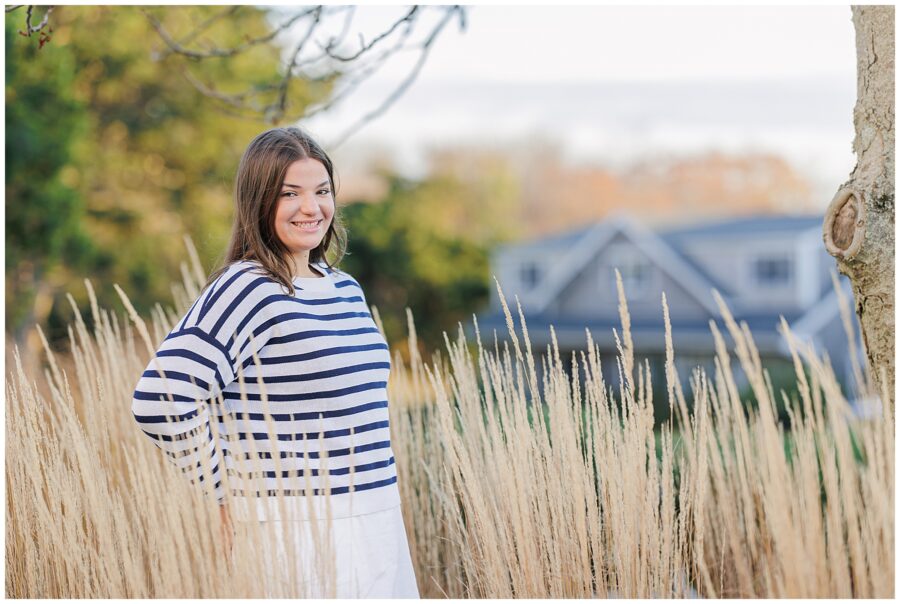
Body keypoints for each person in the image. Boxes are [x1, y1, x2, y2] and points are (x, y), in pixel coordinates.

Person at [130, 126, 419, 598]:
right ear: (258, 203)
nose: (312, 208)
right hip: (297, 534)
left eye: (322, 191)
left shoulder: (344, 288)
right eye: (291, 194)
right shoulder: (250, 287)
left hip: (377, 522)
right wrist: (224, 493)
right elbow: (162, 398)